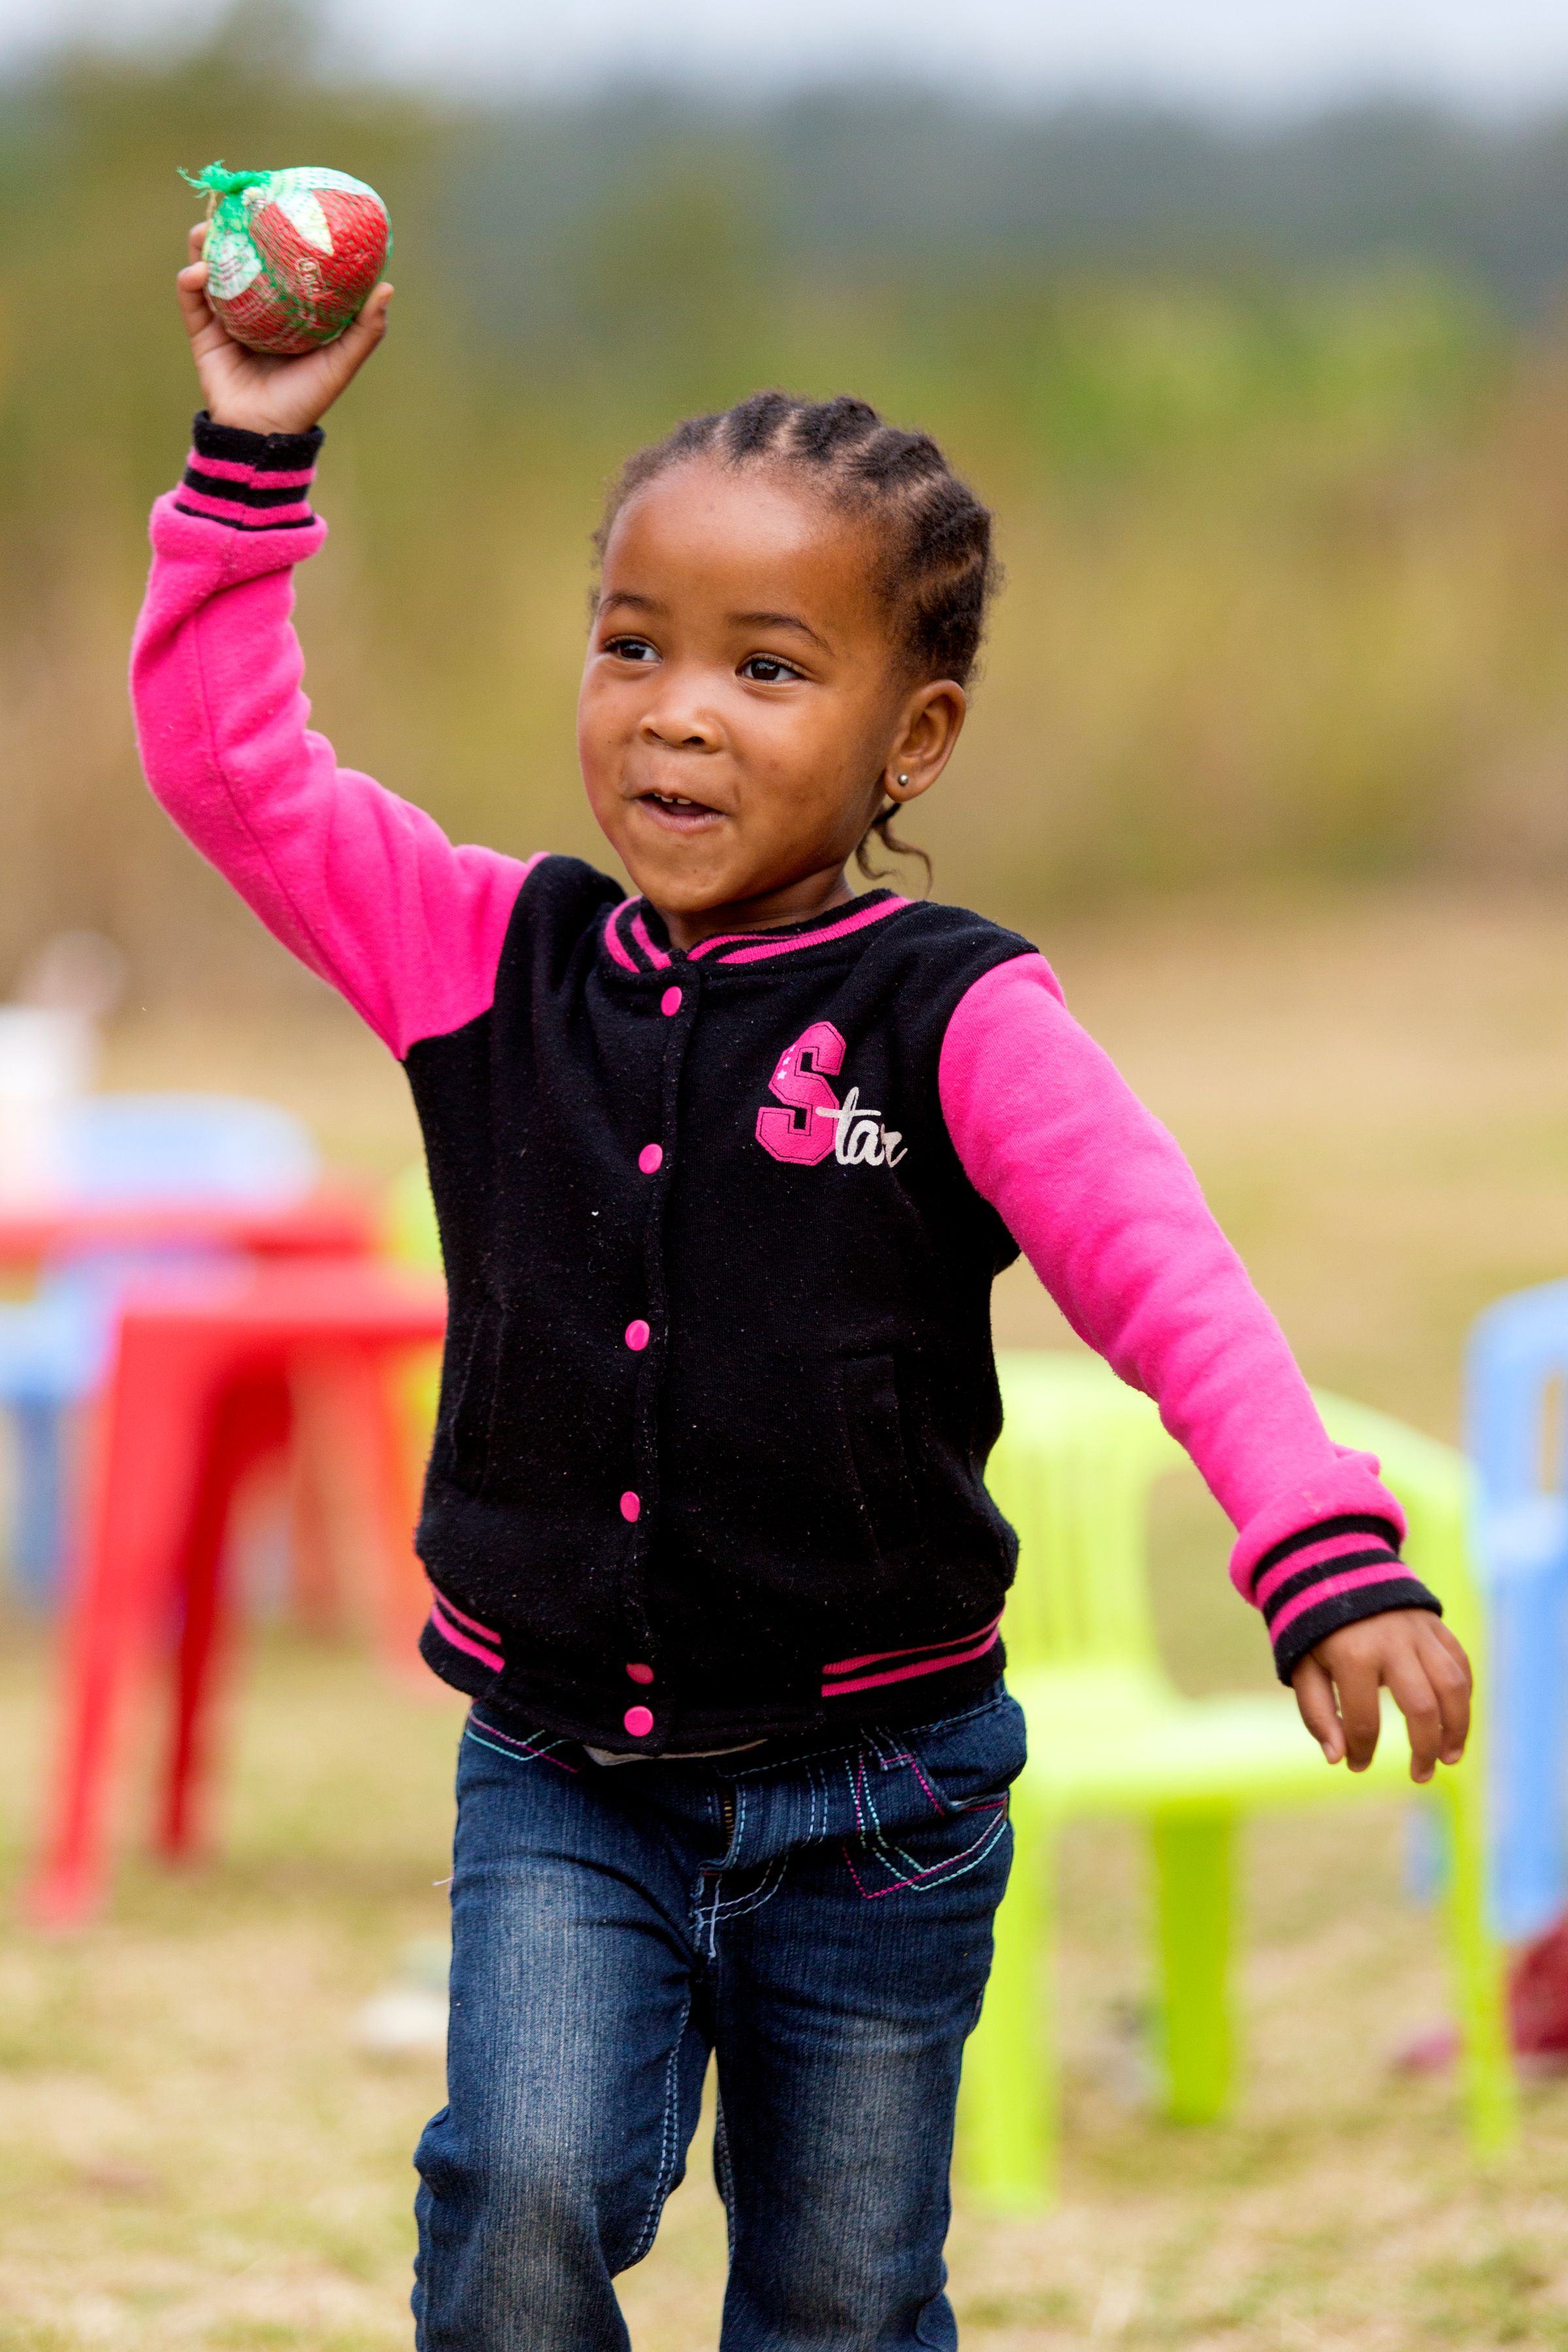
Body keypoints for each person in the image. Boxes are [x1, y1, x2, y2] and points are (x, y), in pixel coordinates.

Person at [131, 229, 1473, 2352]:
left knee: (846, 2293)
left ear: (911, 734)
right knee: (520, 2194)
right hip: (566, 1766)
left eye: (768, 668)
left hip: (890, 1797)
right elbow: (233, 770)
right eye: (633, 645)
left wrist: (1320, 1552)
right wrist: (249, 454)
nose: (677, 714)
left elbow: (1164, 1276)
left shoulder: (960, 1017)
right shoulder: (482, 953)